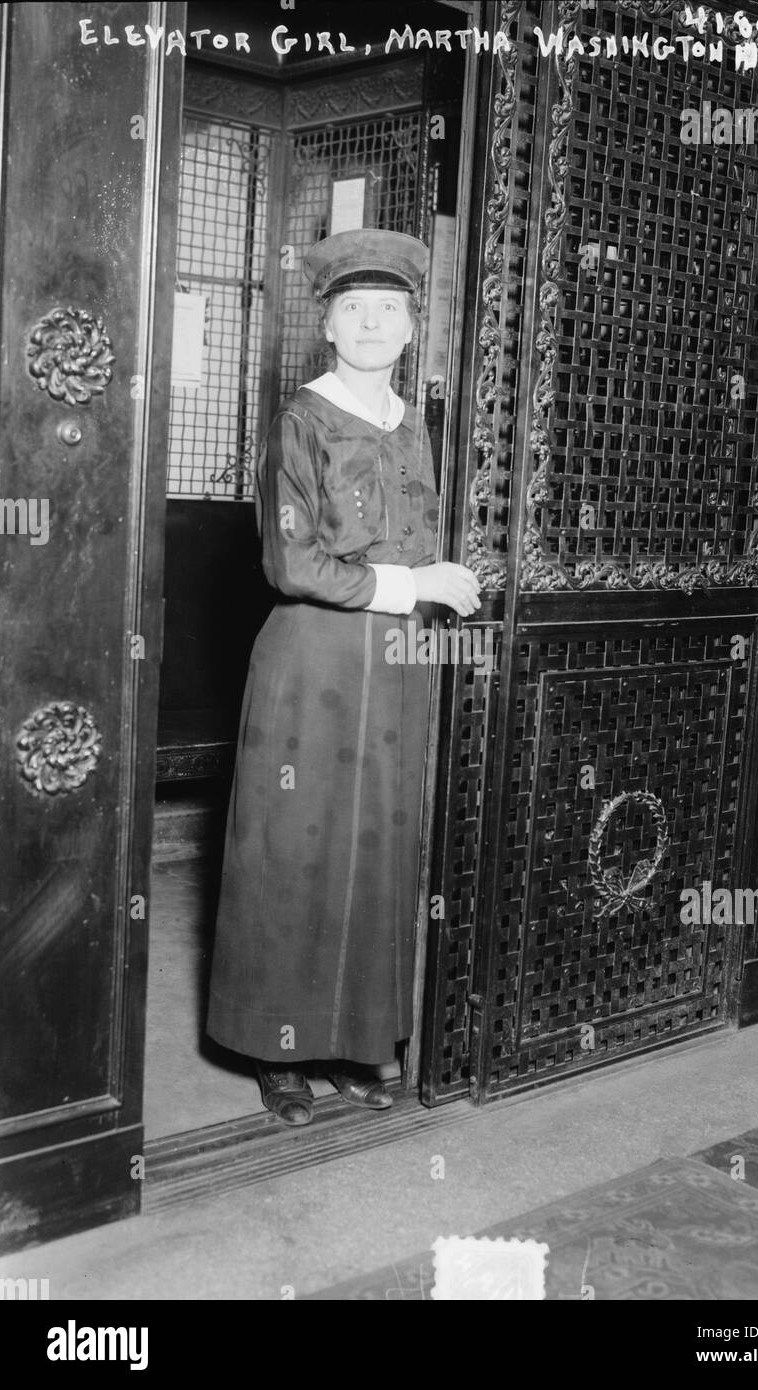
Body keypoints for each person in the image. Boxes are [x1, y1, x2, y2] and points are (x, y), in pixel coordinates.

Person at [206, 229, 481, 1125]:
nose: (371, 324)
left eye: (389, 310)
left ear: (410, 331)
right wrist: (418, 585)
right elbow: (294, 565)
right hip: (313, 663)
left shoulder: (416, 425)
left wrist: (442, 592)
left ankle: (359, 1045)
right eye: (353, 309)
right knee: (293, 851)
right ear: (327, 324)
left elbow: (428, 543)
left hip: (397, 669)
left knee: (375, 851)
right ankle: (272, 1051)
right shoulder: (302, 418)